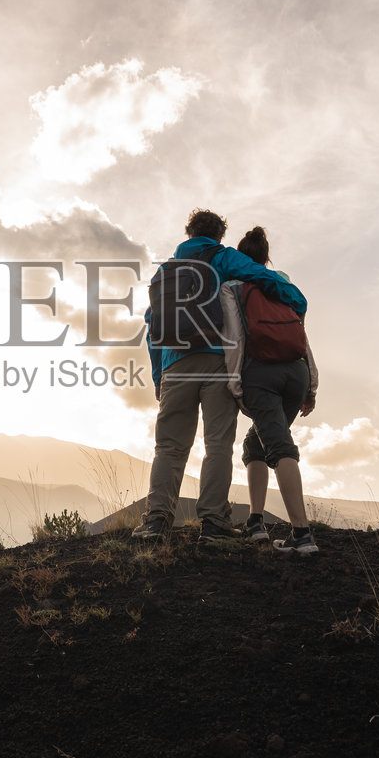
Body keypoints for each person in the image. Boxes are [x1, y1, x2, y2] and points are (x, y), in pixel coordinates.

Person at [133, 210, 307, 541]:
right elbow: (266, 279)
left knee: (168, 446)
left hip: (174, 366)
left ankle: (157, 520)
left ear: (188, 232)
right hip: (217, 362)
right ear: (219, 235)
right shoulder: (224, 258)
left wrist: (159, 376)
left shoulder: (165, 272)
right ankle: (213, 522)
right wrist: (295, 299)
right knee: (217, 445)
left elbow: (152, 327)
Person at [221, 226, 319, 554]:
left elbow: (234, 338)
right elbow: (302, 335)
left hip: (261, 373)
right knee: (255, 444)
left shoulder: (233, 287)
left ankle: (302, 535)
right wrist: (312, 384)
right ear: (266, 257)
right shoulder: (284, 284)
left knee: (278, 446)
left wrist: (235, 385)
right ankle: (255, 522)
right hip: (297, 371)